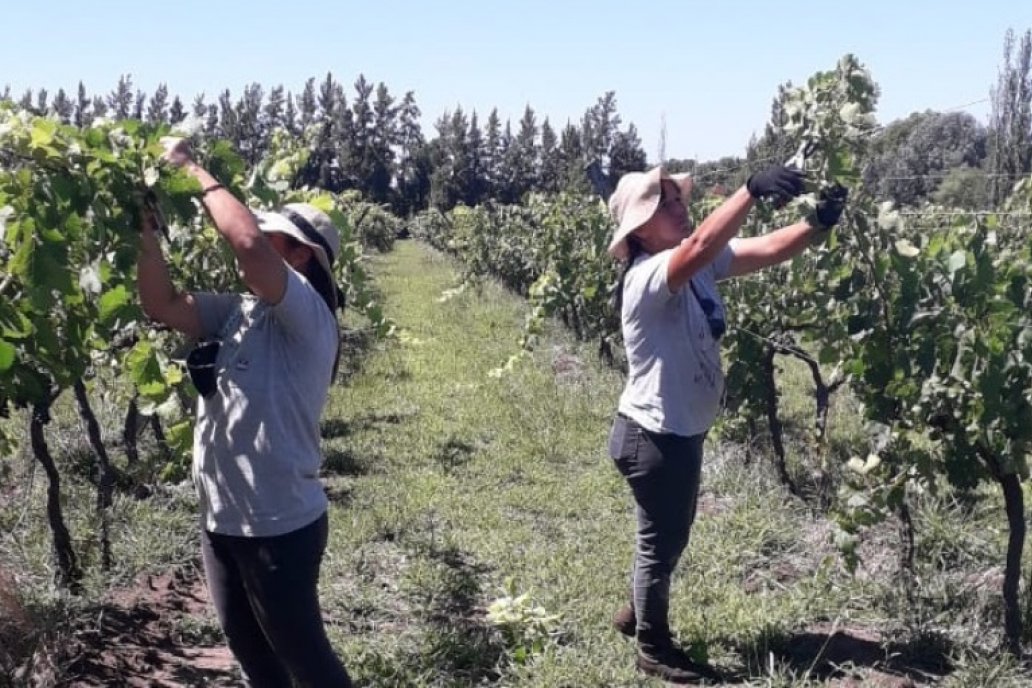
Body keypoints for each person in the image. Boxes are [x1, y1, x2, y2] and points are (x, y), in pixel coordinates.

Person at [605, 164, 846, 683]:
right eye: (666, 203)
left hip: (676, 432)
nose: (679, 207)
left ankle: (636, 609)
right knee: (661, 539)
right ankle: (653, 647)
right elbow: (697, 247)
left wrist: (819, 223)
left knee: (668, 536)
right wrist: (749, 191)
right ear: (641, 229)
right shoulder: (649, 276)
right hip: (653, 436)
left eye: (676, 198)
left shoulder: (698, 268)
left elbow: (770, 249)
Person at [136, 137, 353, 688]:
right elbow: (160, 304)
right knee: (255, 659)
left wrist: (191, 170)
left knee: (307, 661)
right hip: (222, 520)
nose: (258, 237)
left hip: (277, 525)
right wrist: (146, 229)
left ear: (302, 255)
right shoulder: (238, 312)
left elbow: (249, 244)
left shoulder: (307, 314)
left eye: (279, 234)